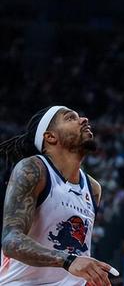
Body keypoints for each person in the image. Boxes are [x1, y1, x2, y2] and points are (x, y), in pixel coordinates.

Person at [0, 106, 116, 286]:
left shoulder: (93, 188)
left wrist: (88, 275)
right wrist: (69, 261)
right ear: (50, 137)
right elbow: (10, 241)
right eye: (70, 118)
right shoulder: (34, 169)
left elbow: (77, 252)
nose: (84, 119)